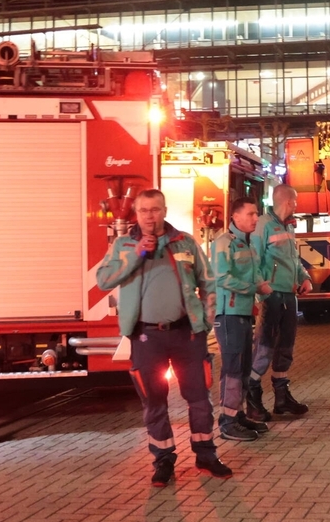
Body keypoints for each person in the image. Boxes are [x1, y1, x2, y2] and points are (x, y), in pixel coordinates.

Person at [96, 188, 231, 486]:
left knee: (199, 398)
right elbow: (103, 280)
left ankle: (206, 455)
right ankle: (163, 460)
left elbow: (208, 282)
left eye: (155, 209)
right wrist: (136, 254)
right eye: (143, 210)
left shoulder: (185, 242)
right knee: (154, 401)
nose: (149, 216)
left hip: (186, 335)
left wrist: (205, 323)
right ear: (136, 214)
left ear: (164, 211)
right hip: (145, 337)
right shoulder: (123, 245)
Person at [248, 184, 314, 421]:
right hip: (272, 296)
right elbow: (253, 260)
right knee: (264, 346)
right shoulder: (264, 225)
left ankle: (282, 398)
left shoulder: (288, 226)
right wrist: (261, 292)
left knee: (285, 346)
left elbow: (293, 259)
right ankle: (252, 397)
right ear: (287, 202)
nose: (296, 205)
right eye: (295, 201)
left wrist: (304, 277)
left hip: (288, 295)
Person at [211, 196, 274, 442]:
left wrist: (262, 287)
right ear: (235, 217)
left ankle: (237, 415)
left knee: (244, 367)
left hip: (244, 313)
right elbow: (221, 277)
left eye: (256, 213)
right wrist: (253, 288)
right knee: (233, 369)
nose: (256, 218)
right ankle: (227, 423)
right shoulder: (224, 243)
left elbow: (255, 273)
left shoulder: (246, 243)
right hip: (229, 315)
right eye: (250, 214)